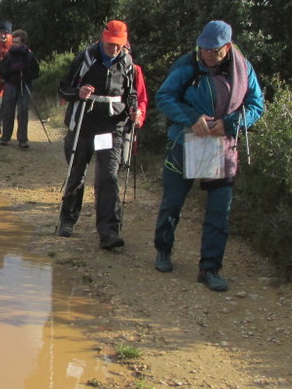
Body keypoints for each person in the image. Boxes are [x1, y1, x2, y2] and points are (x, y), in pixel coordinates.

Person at [152, 20, 265, 291]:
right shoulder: (187, 64)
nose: (207, 55)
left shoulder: (243, 68)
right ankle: (163, 250)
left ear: (227, 47)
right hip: (184, 142)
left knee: (219, 210)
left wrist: (231, 123)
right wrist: (192, 117)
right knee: (172, 202)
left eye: (213, 51)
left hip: (222, 147)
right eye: (203, 49)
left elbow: (256, 105)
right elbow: (164, 97)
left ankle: (210, 268)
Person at [56, 20, 139, 250]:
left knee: (108, 177)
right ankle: (67, 220)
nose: (114, 49)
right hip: (83, 124)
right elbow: (63, 87)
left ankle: (109, 233)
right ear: (103, 38)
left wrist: (134, 108)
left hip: (111, 126)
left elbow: (130, 93)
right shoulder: (86, 57)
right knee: (77, 172)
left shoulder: (127, 61)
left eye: (119, 45)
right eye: (111, 44)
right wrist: (78, 92)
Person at [0, 29, 39, 149]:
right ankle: (5, 137)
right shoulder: (9, 55)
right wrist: (12, 70)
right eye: (13, 42)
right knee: (8, 111)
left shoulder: (29, 55)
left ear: (23, 43)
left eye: (17, 42)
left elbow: (36, 71)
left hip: (24, 86)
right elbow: (2, 71)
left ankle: (22, 139)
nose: (14, 44)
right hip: (10, 85)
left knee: (22, 112)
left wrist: (26, 75)